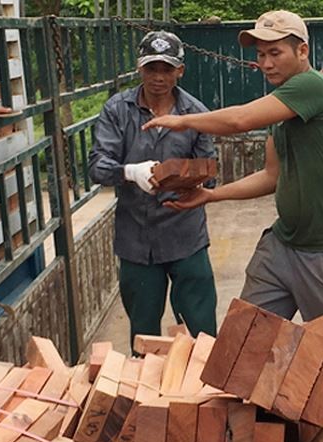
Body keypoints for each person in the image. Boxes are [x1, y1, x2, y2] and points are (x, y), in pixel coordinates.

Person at [142, 10, 323, 321]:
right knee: (245, 338)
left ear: (303, 51)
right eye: (261, 54)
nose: (266, 63)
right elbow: (271, 176)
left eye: (275, 52)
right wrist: (210, 196)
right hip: (283, 244)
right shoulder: (283, 110)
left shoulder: (316, 86)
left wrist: (182, 120)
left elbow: (239, 120)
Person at [88, 30, 218, 349]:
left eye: (166, 69)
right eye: (151, 68)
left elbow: (210, 172)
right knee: (143, 333)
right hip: (136, 237)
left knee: (200, 330)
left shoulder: (195, 113)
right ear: (140, 69)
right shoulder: (118, 110)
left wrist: (181, 177)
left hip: (185, 233)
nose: (158, 77)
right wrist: (130, 172)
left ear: (180, 71)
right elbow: (96, 166)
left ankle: (203, 393)